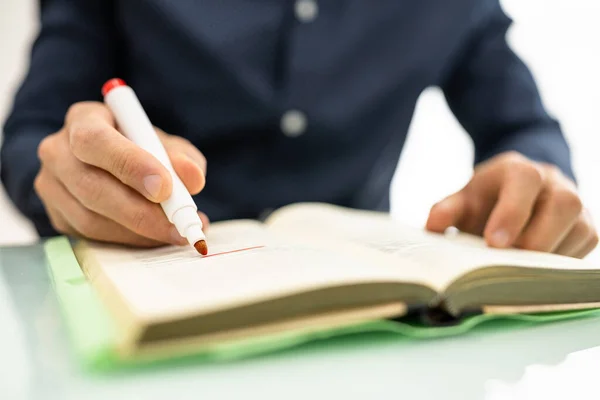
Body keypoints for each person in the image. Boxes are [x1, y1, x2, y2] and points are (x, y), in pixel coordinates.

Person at [1, 1, 597, 258]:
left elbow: (523, 125)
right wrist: (59, 172)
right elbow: (31, 133)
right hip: (147, 287)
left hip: (368, 322)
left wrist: (536, 178)